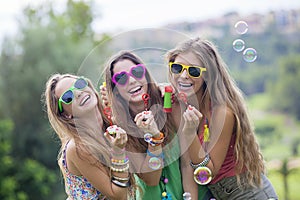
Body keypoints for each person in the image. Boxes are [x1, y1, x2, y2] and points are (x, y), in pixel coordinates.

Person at [165, 37, 278, 199]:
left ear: (208, 75)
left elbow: (208, 172)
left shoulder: (222, 112)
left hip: (248, 194)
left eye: (194, 71)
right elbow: (187, 166)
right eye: (177, 68)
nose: (183, 76)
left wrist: (190, 133)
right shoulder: (183, 106)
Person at [101, 50, 212, 199]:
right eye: (121, 78)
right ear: (114, 90)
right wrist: (154, 136)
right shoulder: (119, 128)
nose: (132, 80)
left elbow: (187, 164)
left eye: (137, 72)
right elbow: (151, 179)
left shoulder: (170, 105)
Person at [43, 73, 136, 200]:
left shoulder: (109, 127)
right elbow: (118, 196)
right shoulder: (78, 147)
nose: (78, 93)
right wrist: (118, 152)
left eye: (79, 84)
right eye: (68, 97)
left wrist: (161, 91)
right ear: (66, 115)